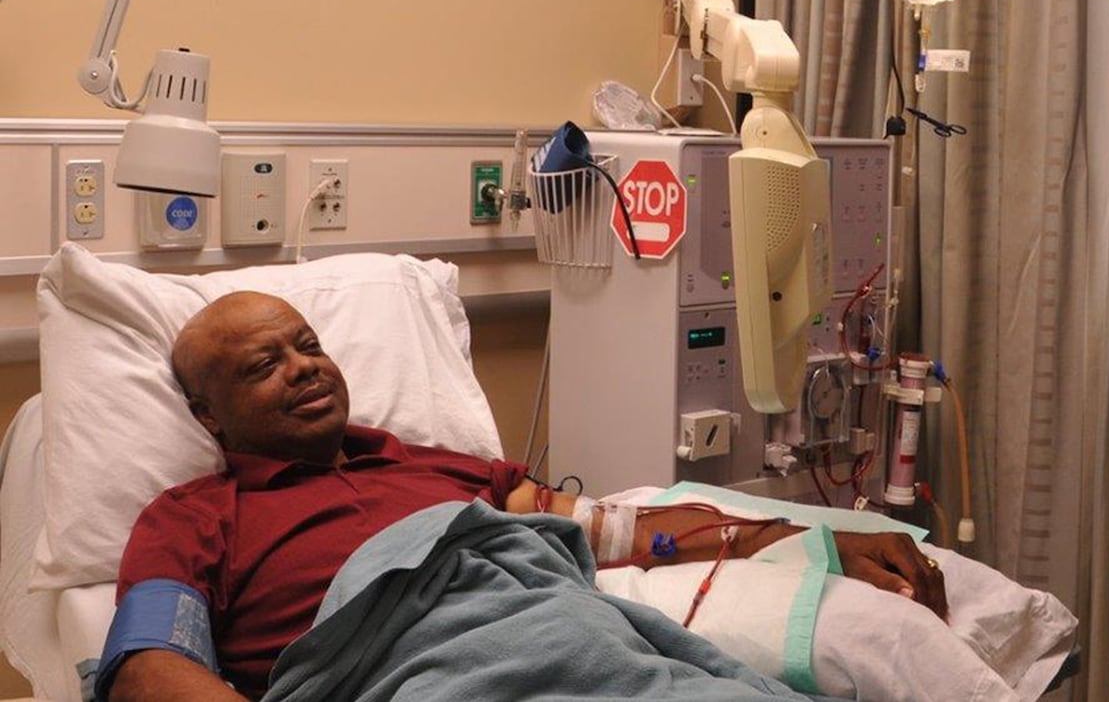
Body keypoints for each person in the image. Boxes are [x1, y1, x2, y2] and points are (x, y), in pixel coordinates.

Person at [100, 290, 946, 702]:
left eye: (309, 345)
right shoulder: (194, 516)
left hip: (590, 660)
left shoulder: (442, 470)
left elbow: (623, 532)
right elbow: (148, 670)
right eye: (264, 365)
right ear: (210, 416)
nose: (305, 367)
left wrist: (801, 540)